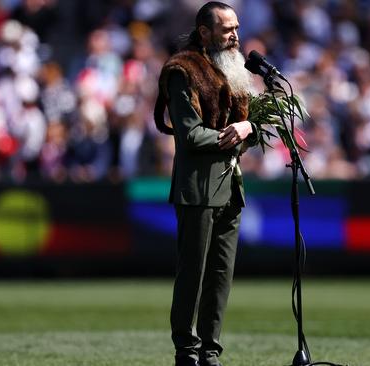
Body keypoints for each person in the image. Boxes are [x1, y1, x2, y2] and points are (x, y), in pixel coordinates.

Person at [153, 2, 258, 366]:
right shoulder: (183, 70)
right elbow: (190, 135)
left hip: (231, 187)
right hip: (197, 188)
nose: (234, 35)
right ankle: (186, 349)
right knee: (193, 275)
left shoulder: (235, 69)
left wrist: (250, 127)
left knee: (220, 276)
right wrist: (233, 135)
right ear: (204, 32)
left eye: (237, 28)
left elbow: (248, 130)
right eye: (227, 28)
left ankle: (211, 352)